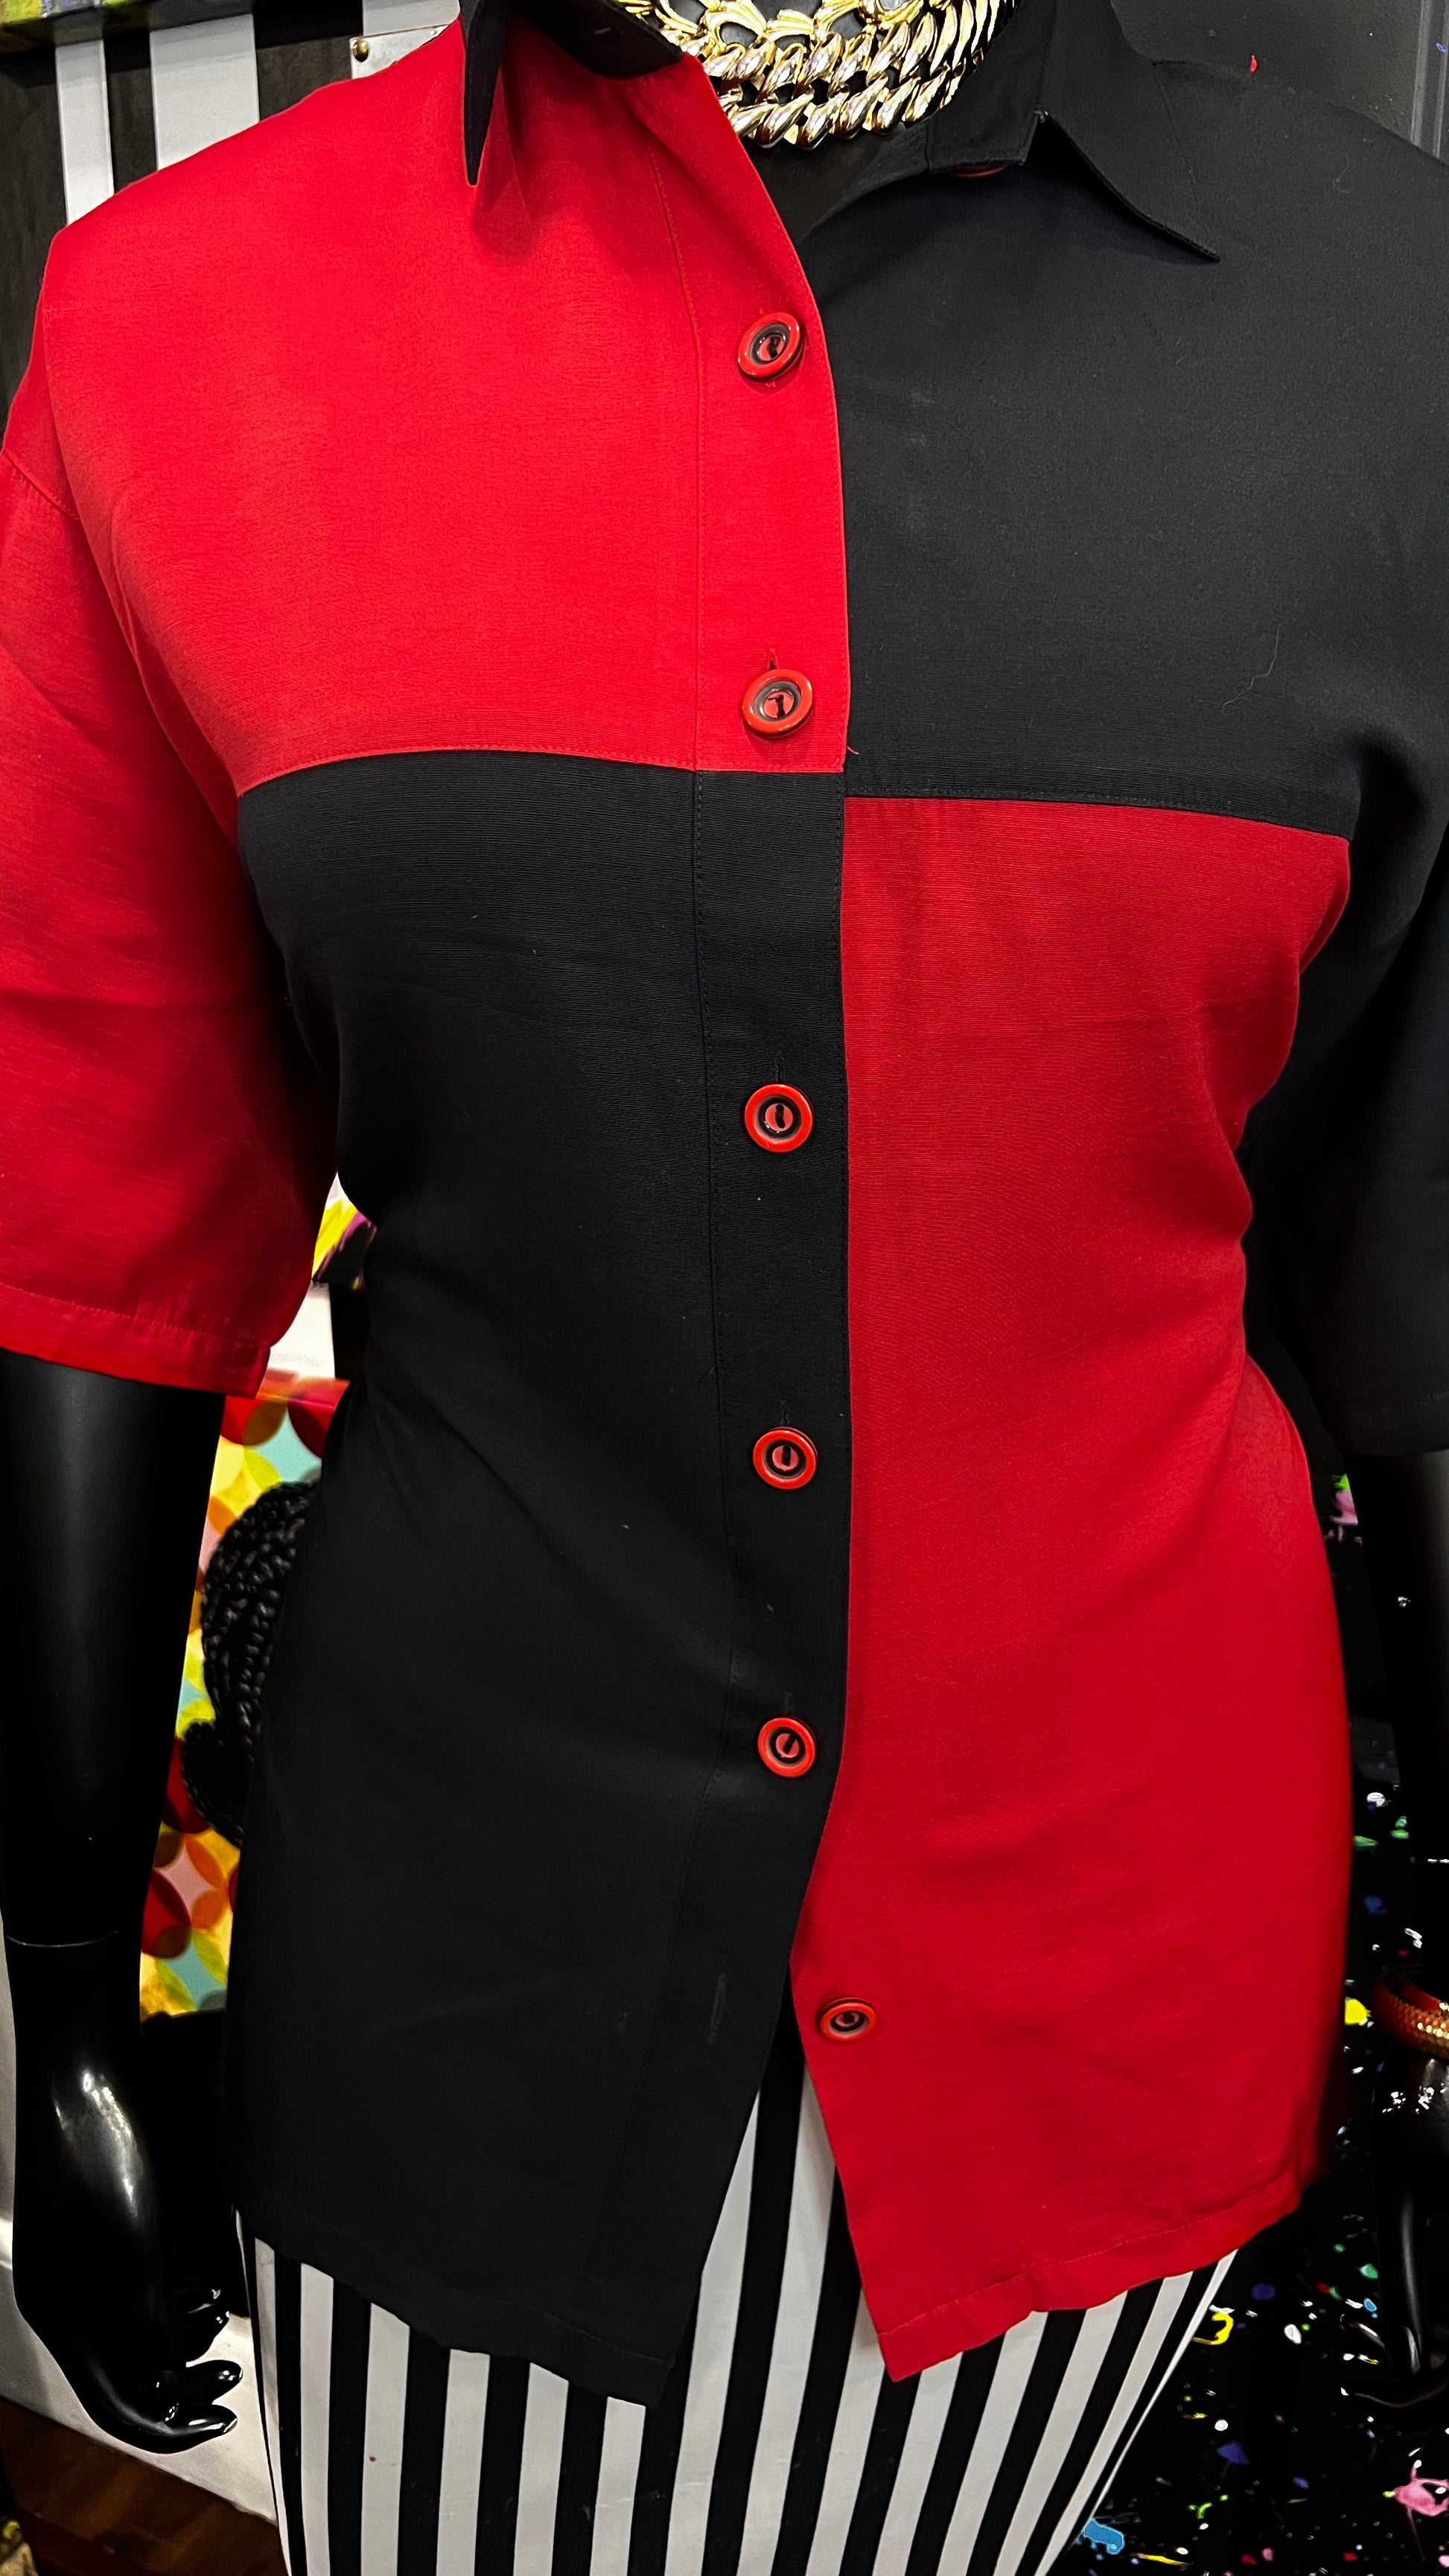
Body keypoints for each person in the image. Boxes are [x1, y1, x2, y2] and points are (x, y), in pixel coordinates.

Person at [4, 0, 1449, 2557]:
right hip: (466, 1957)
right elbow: (81, 1250)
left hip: (1113, 1954)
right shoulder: (180, 321)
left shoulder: (1390, 317)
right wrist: (63, 2001)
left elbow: (1425, 1278)